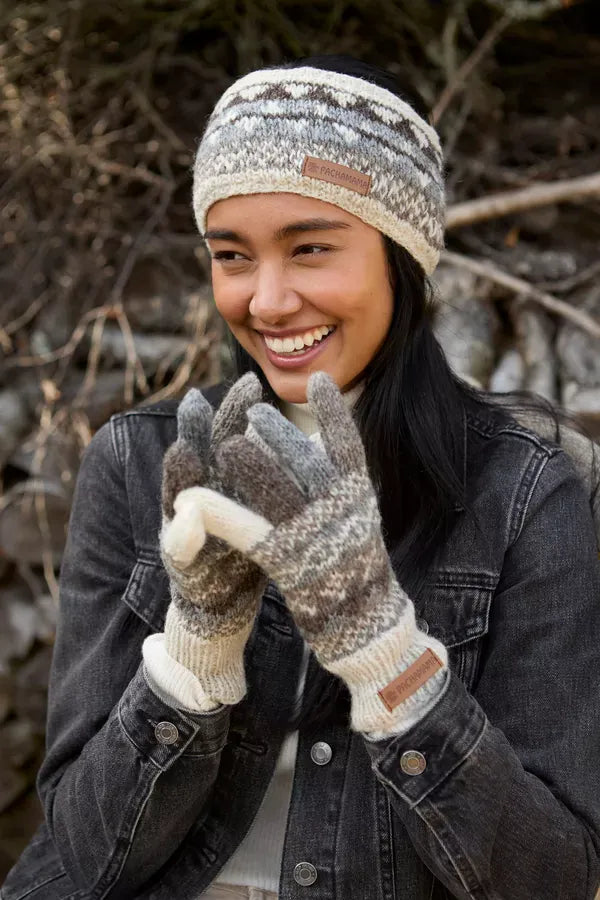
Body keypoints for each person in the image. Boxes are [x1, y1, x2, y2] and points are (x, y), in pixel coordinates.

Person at [3, 54, 600, 900]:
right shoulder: (141, 463)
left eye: (311, 247)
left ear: (402, 254)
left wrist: (383, 652)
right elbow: (90, 855)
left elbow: (556, 879)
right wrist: (197, 651)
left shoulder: (528, 486)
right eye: (233, 255)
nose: (269, 300)